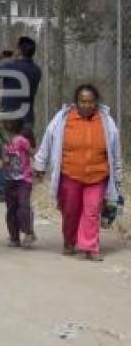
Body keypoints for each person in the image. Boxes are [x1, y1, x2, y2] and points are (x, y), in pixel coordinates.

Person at [34, 85, 122, 261]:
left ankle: (90, 247)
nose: (87, 105)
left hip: (97, 175)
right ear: (76, 102)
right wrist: (39, 164)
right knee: (70, 211)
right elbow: (48, 140)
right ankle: (69, 241)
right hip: (70, 174)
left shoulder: (106, 121)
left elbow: (115, 149)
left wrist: (118, 174)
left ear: (96, 102)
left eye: (90, 102)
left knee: (92, 211)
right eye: (83, 101)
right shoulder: (63, 119)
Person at [0, 37, 42, 203]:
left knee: (6, 150)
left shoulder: (10, 66)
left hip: (10, 117)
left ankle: (4, 190)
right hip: (27, 116)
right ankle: (21, 185)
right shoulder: (36, 70)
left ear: (19, 50)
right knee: (22, 152)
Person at [1, 119, 36, 249]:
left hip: (24, 180)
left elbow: (32, 153)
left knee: (23, 206)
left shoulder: (21, 140)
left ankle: (28, 233)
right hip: (10, 180)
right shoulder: (5, 143)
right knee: (11, 210)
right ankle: (14, 237)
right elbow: (4, 161)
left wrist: (39, 168)